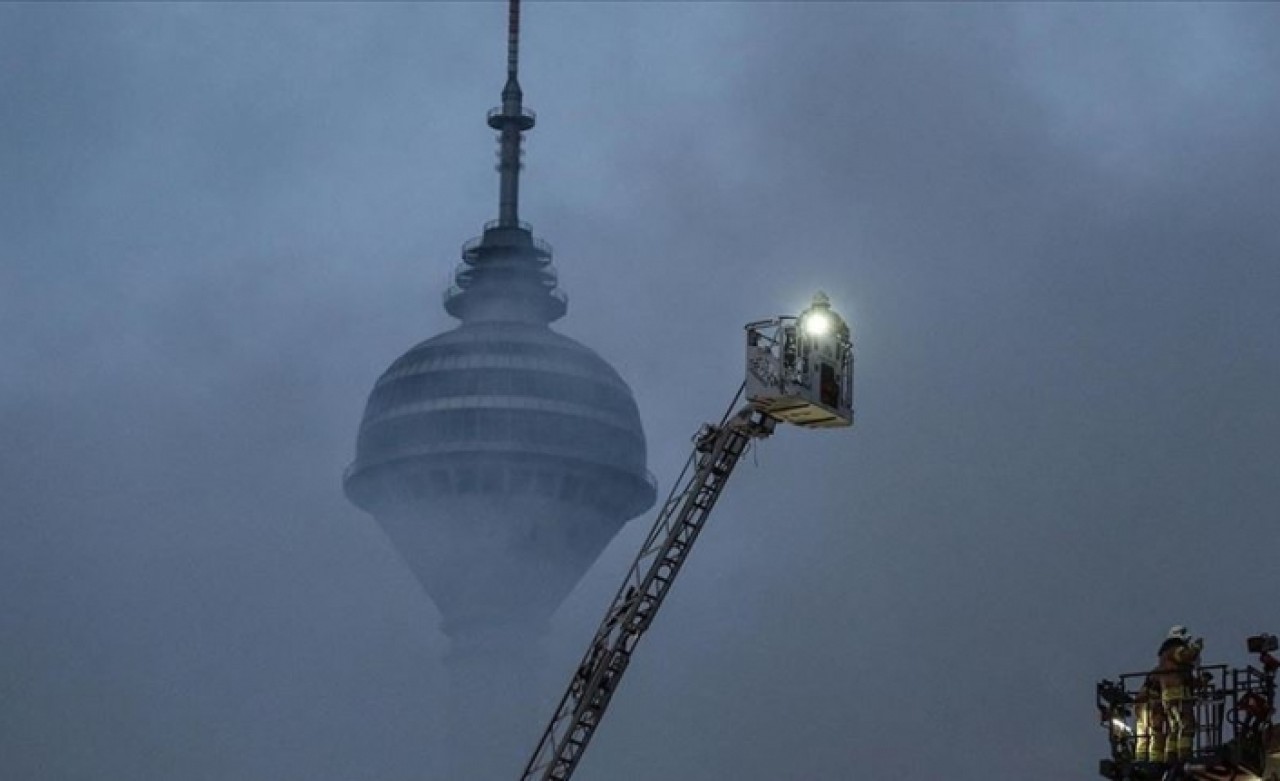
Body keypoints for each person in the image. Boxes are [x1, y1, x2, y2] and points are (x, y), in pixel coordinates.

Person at [1152, 625, 1204, 765]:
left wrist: (1202, 681)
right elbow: (1186, 655)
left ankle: (1171, 755)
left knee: (1175, 727)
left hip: (1169, 697)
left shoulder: (1166, 657)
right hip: (1178, 695)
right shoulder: (1174, 649)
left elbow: (1186, 678)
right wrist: (1196, 648)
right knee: (1187, 725)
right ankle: (1184, 754)